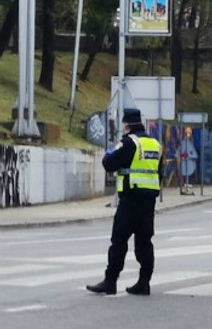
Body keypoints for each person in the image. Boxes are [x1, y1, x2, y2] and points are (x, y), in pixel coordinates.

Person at [87, 108, 163, 296]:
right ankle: (144, 282)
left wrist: (110, 150)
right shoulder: (155, 144)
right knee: (144, 242)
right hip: (148, 201)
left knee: (119, 240)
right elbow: (159, 172)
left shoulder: (130, 142)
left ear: (126, 125)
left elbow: (108, 163)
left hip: (130, 200)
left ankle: (110, 281)